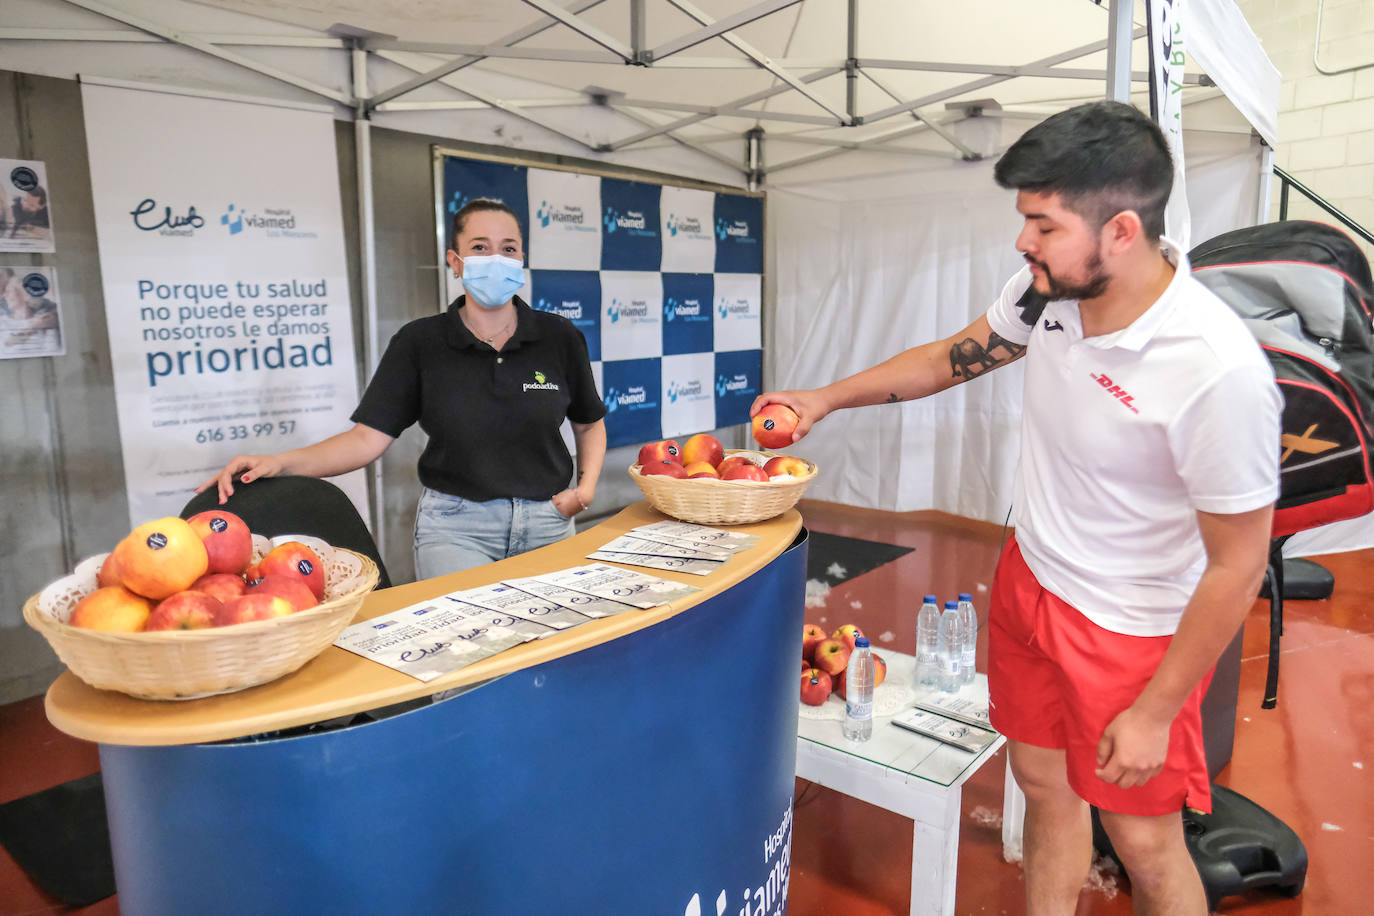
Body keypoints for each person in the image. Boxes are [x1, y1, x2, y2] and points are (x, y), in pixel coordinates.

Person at [753, 101, 1280, 915]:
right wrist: (823, 399)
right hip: (1031, 580)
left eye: (1043, 223)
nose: (1022, 242)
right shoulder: (1048, 294)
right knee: (1041, 784)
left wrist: (1158, 709)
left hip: (1132, 630)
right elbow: (948, 359)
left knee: (1144, 843)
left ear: (1122, 233)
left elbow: (1239, 562)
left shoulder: (1216, 371)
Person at [202, 198, 607, 580]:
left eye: (508, 248)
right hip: (457, 530)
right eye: (480, 247)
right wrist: (279, 463)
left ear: (521, 260)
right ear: (455, 261)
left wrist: (584, 492)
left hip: (547, 522)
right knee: (469, 645)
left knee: (555, 645)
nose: (495, 259)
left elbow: (588, 424)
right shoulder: (420, 343)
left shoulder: (559, 336)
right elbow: (364, 440)